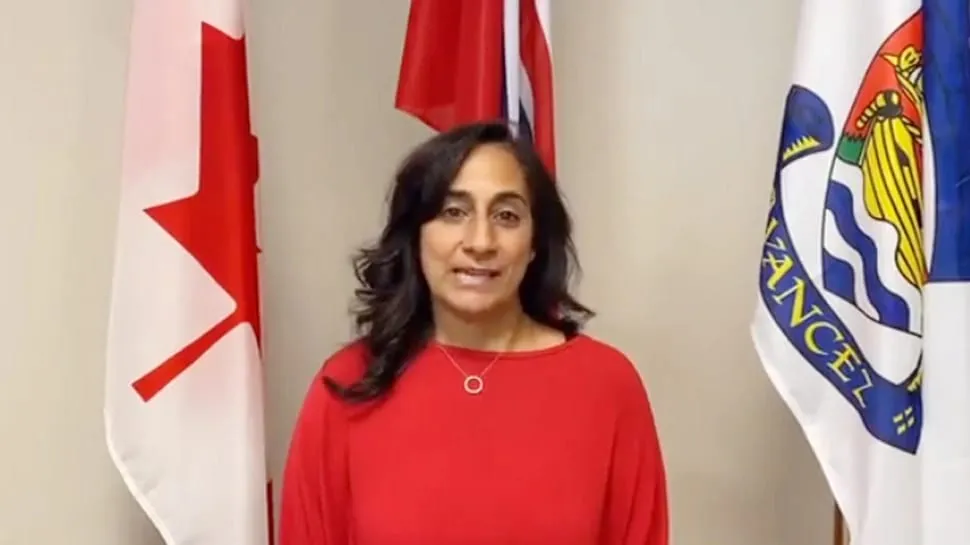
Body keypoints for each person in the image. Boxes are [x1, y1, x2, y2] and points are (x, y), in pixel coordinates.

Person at [277, 121, 669, 545]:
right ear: (415, 235)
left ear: (534, 243)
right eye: (453, 212)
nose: (481, 241)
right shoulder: (348, 384)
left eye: (506, 216)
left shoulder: (607, 386)